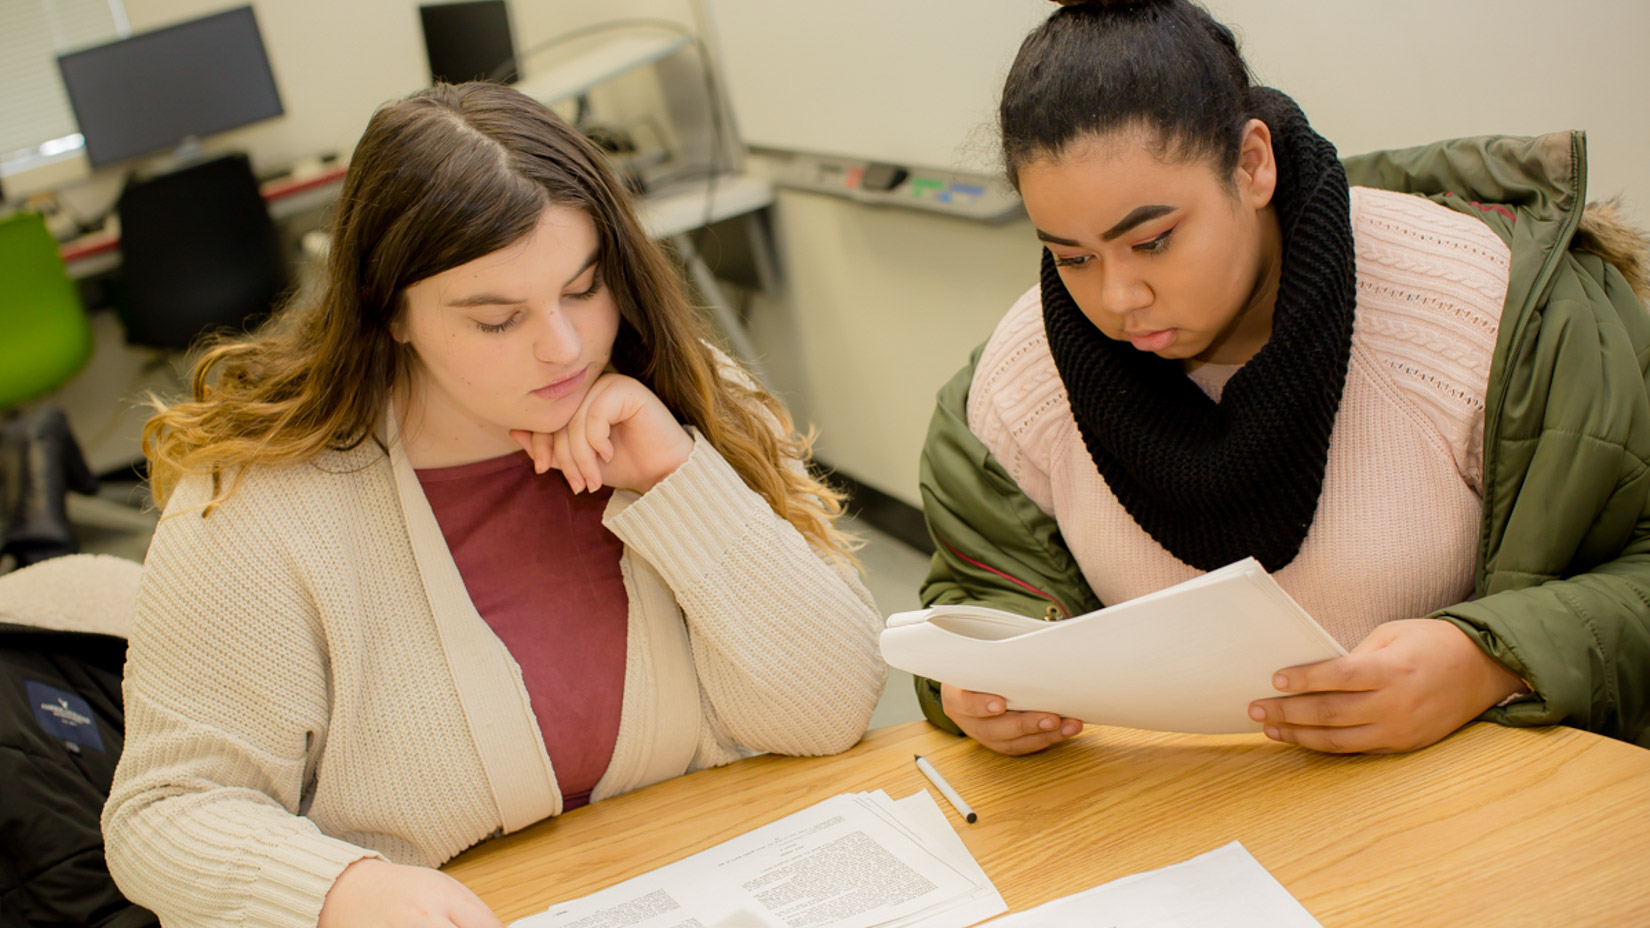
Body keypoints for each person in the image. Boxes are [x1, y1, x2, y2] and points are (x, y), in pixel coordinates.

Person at [103, 82, 886, 928]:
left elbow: (833, 709)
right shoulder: (258, 502)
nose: (565, 347)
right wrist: (340, 893)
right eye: (496, 319)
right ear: (389, 313)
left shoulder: (674, 391)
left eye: (584, 289)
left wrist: (675, 479)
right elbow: (168, 811)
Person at [918, 0, 1650, 757]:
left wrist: (1492, 661)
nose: (1117, 298)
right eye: (1071, 258)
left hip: (1479, 822)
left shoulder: (1492, 314)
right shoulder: (1015, 386)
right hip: (1188, 834)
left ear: (1252, 163)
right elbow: (982, 593)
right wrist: (971, 685)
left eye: (1154, 239)